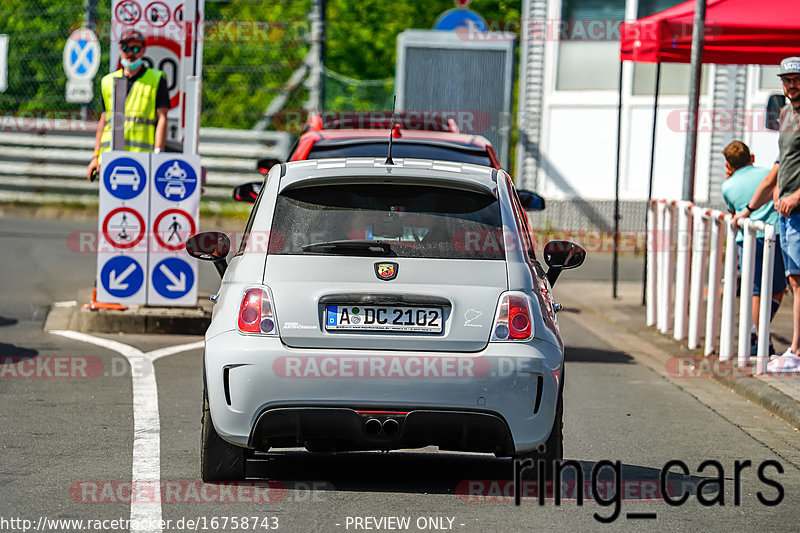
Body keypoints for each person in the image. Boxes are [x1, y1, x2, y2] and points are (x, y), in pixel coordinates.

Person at [732, 56, 800, 372]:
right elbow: (780, 164)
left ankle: (795, 351)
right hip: (784, 214)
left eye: (797, 78)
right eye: (786, 79)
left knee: (795, 282)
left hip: (796, 210)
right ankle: (779, 347)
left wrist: (796, 194)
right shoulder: (786, 114)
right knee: (789, 282)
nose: (792, 84)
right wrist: (748, 208)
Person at [721, 140, 785, 356]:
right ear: (751, 157)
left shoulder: (727, 187)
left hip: (748, 240)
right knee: (778, 288)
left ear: (728, 165)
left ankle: (759, 336)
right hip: (773, 234)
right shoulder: (767, 173)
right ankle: (759, 333)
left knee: (756, 291)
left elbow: (733, 211)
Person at [86, 30, 169, 181]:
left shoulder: (156, 79)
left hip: (142, 158)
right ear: (120, 50)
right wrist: (95, 156)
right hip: (110, 156)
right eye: (126, 48)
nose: (130, 53)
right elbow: (104, 119)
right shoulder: (107, 81)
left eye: (136, 49)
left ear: (143, 50)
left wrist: (158, 153)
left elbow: (162, 117)